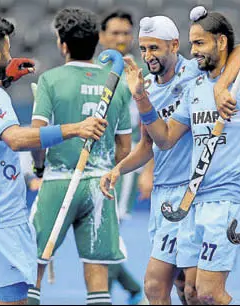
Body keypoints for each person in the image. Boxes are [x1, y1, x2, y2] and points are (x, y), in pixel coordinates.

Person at [122, 6, 240, 305]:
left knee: (210, 294)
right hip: (193, 201)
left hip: (231, 197)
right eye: (192, 44)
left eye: (199, 43)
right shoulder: (195, 87)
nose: (194, 51)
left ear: (220, 42)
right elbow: (164, 139)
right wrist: (141, 97)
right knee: (190, 292)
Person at [0, 16, 107, 305]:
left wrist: (4, 79)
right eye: (6, 51)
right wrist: (75, 128)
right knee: (15, 301)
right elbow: (16, 139)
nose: (9, 56)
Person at [100, 13, 240, 305]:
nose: (147, 55)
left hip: (193, 195)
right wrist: (118, 170)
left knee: (193, 291)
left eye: (154, 48)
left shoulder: (194, 70)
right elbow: (148, 146)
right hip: (163, 196)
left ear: (174, 45)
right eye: (143, 49)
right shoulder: (147, 88)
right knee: (157, 288)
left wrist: (220, 87)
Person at [28, 8, 132, 305]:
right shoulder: (118, 84)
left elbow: (38, 137)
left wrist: (39, 168)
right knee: (97, 277)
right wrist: (108, 172)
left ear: (63, 44)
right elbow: (124, 148)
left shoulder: (51, 79)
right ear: (97, 41)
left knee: (32, 266)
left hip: (59, 182)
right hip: (99, 187)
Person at [99, 9, 147, 304]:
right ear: (102, 36)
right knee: (99, 237)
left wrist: (148, 172)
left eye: (126, 33)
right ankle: (129, 286)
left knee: (106, 235)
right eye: (114, 33)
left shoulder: (140, 74)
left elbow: (149, 126)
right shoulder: (90, 70)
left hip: (123, 166)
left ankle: (101, 295)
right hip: (93, 163)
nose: (120, 38)